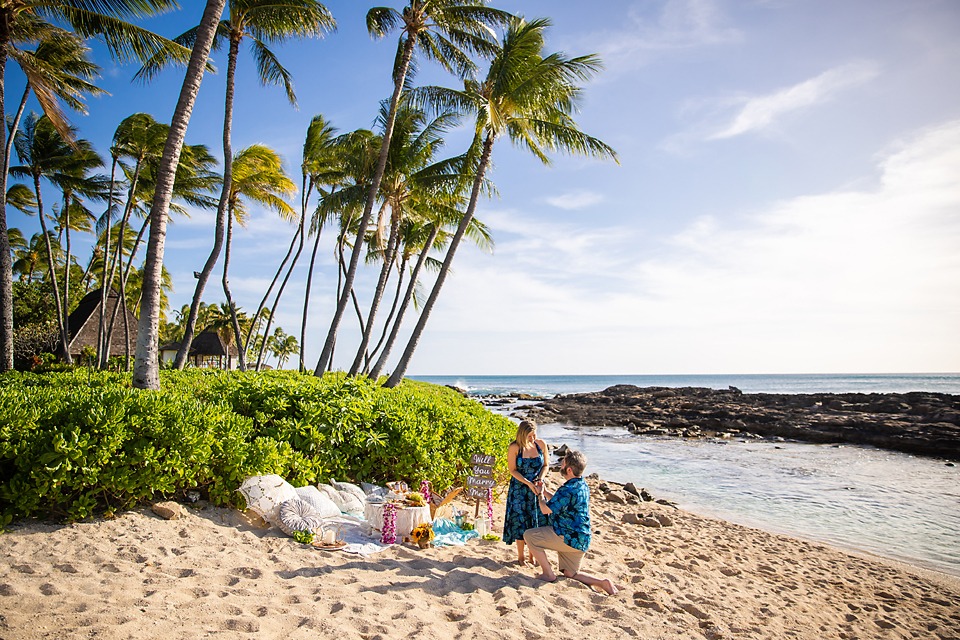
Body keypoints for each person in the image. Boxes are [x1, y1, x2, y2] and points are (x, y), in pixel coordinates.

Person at [523, 449, 618, 595]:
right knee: (570, 574)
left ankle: (548, 573)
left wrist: (540, 495)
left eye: (563, 463)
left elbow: (545, 509)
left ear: (568, 469)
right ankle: (602, 583)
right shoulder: (582, 485)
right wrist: (546, 491)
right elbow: (560, 501)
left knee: (529, 536)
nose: (560, 465)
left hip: (567, 537)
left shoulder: (566, 489)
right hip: (582, 539)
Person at [502, 420, 548, 565]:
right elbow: (512, 470)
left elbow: (546, 465)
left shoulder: (541, 444)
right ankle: (521, 557)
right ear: (522, 434)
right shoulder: (515, 447)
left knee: (535, 522)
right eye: (529, 436)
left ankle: (533, 556)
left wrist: (540, 479)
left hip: (536, 488)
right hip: (519, 489)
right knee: (520, 522)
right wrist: (528, 483)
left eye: (534, 435)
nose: (532, 439)